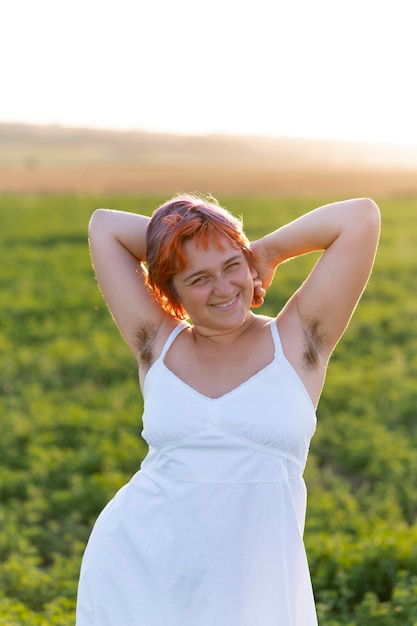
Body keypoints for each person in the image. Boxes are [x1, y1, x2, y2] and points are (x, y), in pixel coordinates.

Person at [76, 193, 380, 626]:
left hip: (258, 590)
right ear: (171, 290)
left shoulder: (298, 341)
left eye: (231, 267)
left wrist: (265, 253)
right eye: (198, 278)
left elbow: (360, 217)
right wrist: (175, 250)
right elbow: (103, 225)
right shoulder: (156, 342)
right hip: (140, 578)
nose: (223, 289)